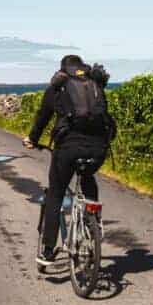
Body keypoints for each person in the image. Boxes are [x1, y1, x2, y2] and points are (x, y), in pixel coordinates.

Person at [22, 55, 115, 265]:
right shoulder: (95, 84)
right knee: (87, 175)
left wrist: (32, 139)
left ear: (63, 69)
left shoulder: (59, 86)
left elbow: (42, 118)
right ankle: (93, 225)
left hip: (68, 148)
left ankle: (47, 250)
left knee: (55, 193)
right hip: (98, 148)